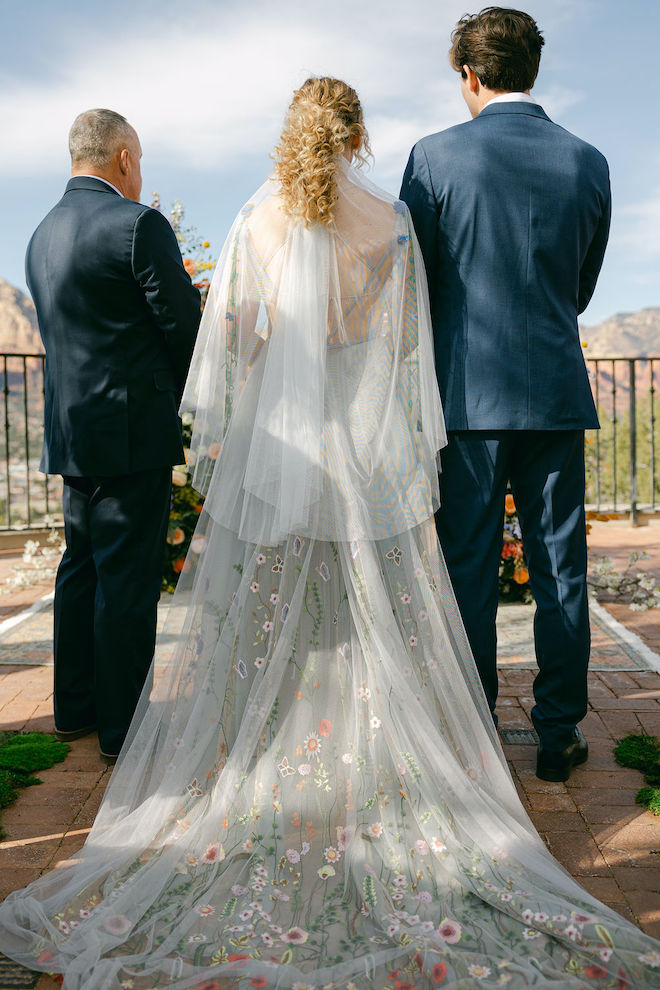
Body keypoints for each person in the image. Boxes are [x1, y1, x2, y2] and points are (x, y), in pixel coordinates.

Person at [1, 78, 659, 989]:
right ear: (355, 137)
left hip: (282, 458)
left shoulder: (255, 222)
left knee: (273, 616)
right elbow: (405, 355)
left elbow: (229, 345)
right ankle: (380, 751)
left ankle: (268, 749)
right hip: (361, 454)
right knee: (374, 610)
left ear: (288, 135)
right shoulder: (388, 226)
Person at [400, 7, 611, 783]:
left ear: (469, 73)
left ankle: (473, 726)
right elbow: (580, 288)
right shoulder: (588, 162)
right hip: (554, 392)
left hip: (466, 402)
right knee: (562, 567)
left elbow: (410, 284)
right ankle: (558, 732)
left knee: (466, 564)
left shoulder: (432, 159)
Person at [26, 109, 201, 763]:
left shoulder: (40, 234)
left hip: (72, 428)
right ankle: (125, 729)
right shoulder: (138, 224)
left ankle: (74, 710)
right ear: (124, 157)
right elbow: (180, 325)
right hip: (131, 429)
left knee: (81, 565)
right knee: (126, 578)